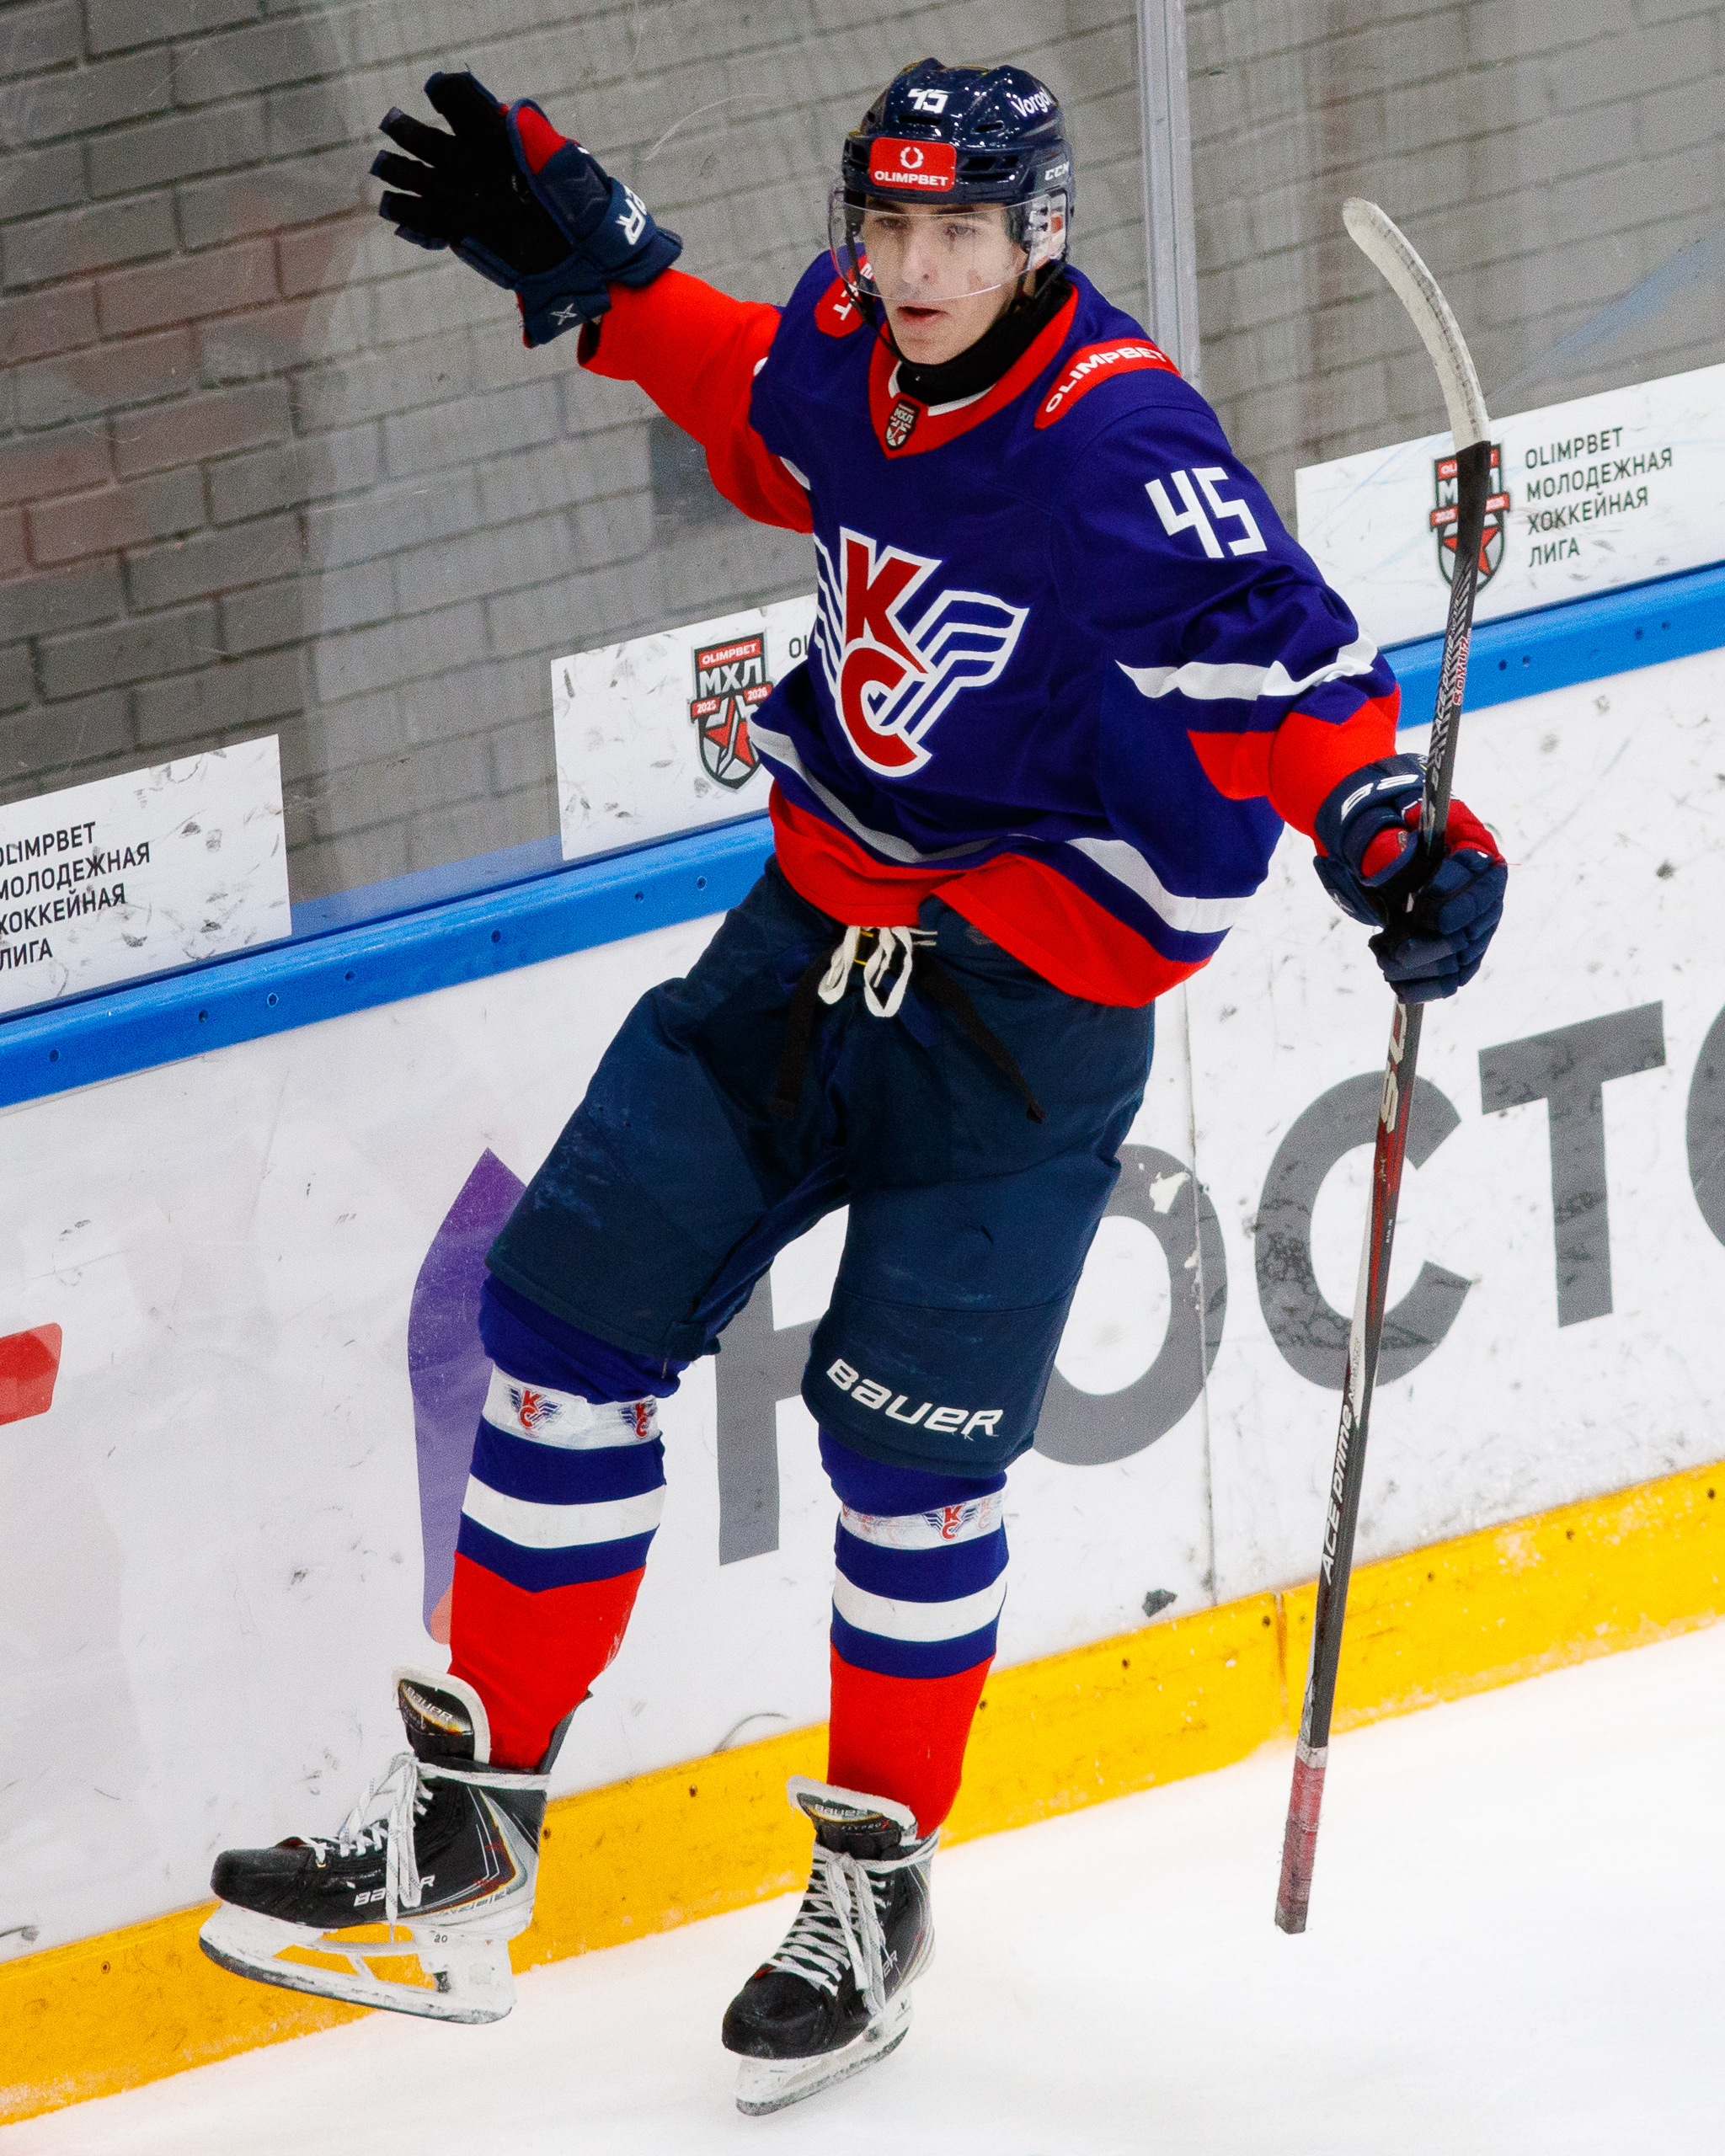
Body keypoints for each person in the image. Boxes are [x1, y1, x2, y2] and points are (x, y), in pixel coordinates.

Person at [199, 59, 1506, 2112]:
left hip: (1021, 1019)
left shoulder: (1116, 438)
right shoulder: (850, 341)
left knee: (913, 1469)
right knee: (561, 1326)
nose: (910, 268)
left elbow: (1290, 668)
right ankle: (461, 1842)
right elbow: (750, 390)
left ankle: (870, 1895)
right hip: (799, 947)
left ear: (1037, 238)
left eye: (955, 231)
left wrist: (1396, 831)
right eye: (886, 225)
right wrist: (605, 270)